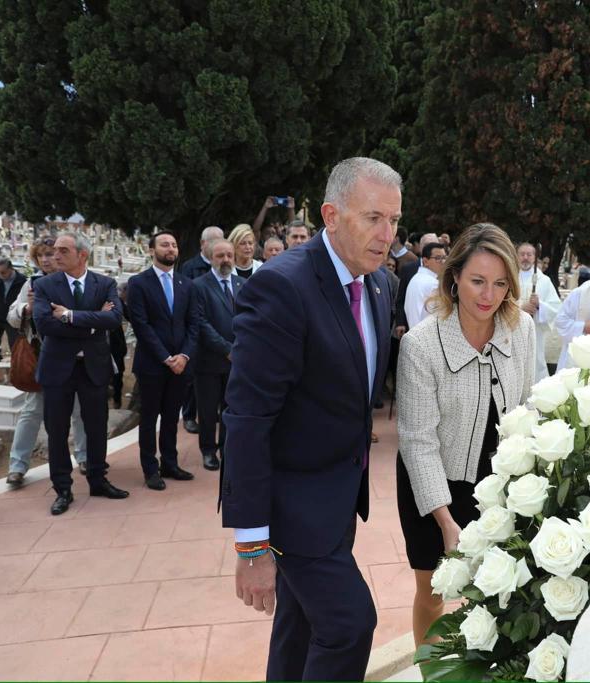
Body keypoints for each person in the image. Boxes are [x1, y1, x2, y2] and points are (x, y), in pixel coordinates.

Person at [222, 157, 398, 681]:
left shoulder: (381, 286)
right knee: (349, 624)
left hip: (339, 499)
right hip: (289, 508)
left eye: (394, 220)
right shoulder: (283, 288)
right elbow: (247, 419)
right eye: (373, 218)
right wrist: (252, 545)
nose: (387, 234)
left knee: (298, 628)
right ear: (331, 215)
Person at [397, 222, 535, 646]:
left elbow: (529, 407)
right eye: (477, 281)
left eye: (499, 283)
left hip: (497, 486)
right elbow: (418, 442)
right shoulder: (420, 345)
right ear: (454, 276)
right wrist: (445, 519)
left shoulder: (522, 329)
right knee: (434, 590)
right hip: (433, 486)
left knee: (498, 591)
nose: (487, 295)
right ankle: (430, 672)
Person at [33, 232, 128, 515]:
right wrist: (91, 324)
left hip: (93, 368)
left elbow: (113, 320)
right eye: (54, 250)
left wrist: (70, 316)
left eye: (63, 250)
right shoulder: (45, 285)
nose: (55, 255)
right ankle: (62, 488)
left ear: (82, 255)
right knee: (57, 430)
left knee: (97, 427)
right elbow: (44, 324)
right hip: (57, 368)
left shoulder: (105, 283)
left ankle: (98, 480)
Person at [5, 238, 87, 486]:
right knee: (31, 413)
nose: (47, 259)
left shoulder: (75, 280)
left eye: (51, 254)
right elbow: (11, 316)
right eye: (41, 255)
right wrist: (26, 309)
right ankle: (17, 466)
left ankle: (83, 457)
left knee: (79, 410)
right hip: (43, 357)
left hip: (75, 355)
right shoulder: (31, 284)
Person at [126, 231, 199, 490]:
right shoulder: (138, 283)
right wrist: (166, 357)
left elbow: (193, 324)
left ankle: (170, 463)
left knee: (171, 417)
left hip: (181, 364)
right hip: (152, 364)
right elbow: (141, 325)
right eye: (165, 244)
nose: (170, 248)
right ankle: (150, 468)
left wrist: (184, 356)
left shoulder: (186, 284)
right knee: (149, 419)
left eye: (174, 244)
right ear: (152, 250)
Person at [192, 238, 244, 471]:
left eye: (229, 255)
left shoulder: (242, 284)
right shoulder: (199, 286)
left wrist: (241, 349)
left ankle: (227, 448)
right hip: (209, 361)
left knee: (230, 407)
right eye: (220, 256)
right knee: (207, 408)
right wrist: (226, 349)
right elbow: (201, 323)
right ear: (211, 258)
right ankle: (208, 450)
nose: (225, 260)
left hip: (238, 362)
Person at [179, 226, 225, 434]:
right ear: (203, 244)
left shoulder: (226, 269)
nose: (217, 245)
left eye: (220, 240)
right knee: (192, 381)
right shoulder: (190, 268)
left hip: (221, 334)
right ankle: (189, 414)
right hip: (198, 333)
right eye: (212, 241)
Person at [517, 242, 561, 381]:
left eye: (529, 254)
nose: (525, 257)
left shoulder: (544, 281)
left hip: (534, 332)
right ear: (516, 256)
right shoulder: (508, 277)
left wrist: (540, 305)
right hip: (512, 330)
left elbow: (556, 307)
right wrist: (520, 307)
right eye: (522, 254)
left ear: (535, 257)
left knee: (534, 364)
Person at [394, 233, 439, 338]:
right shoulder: (409, 268)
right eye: (428, 244)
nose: (431, 247)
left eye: (434, 244)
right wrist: (400, 322)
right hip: (411, 325)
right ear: (421, 247)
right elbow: (401, 296)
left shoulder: (444, 270)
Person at [403, 241, 447, 329]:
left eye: (444, 257)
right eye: (438, 258)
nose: (443, 262)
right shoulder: (433, 284)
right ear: (425, 261)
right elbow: (440, 318)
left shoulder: (416, 278)